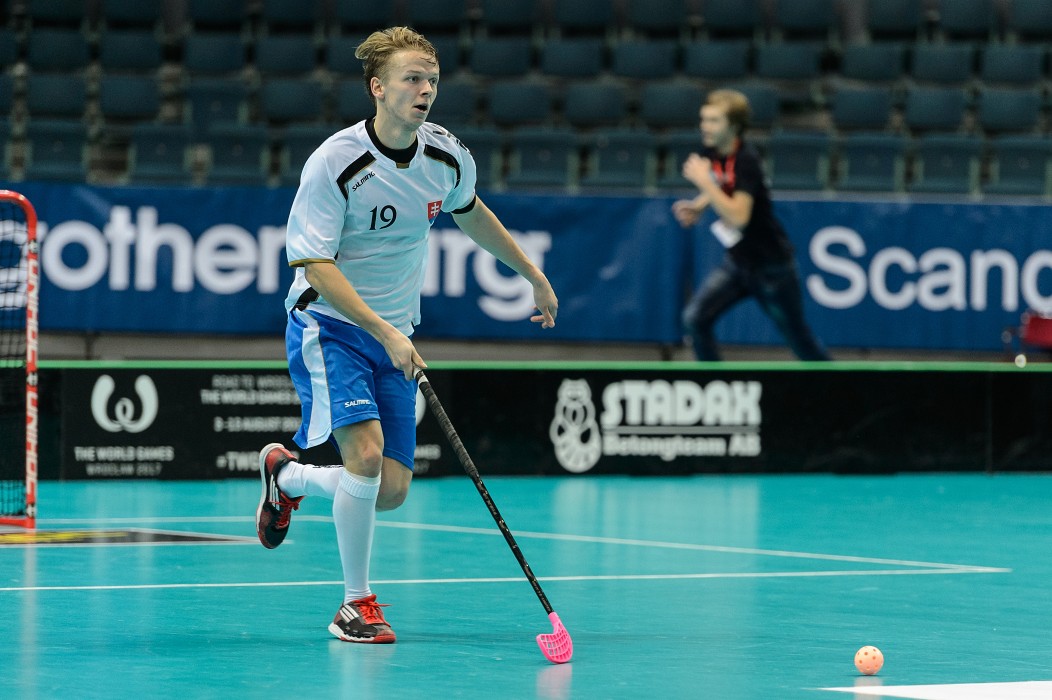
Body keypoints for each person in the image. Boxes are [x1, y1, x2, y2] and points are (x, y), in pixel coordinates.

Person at [254, 26, 559, 644]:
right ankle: (355, 606)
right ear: (378, 87)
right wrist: (382, 331)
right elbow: (315, 266)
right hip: (330, 323)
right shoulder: (335, 163)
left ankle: (285, 477)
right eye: (413, 79)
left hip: (395, 332)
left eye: (432, 81)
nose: (425, 91)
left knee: (387, 491)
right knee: (363, 458)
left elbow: (471, 212)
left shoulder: (445, 156)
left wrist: (532, 274)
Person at [671, 89, 830, 362]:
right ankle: (716, 390)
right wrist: (699, 205)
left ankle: (844, 392)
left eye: (713, 121)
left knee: (800, 341)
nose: (704, 127)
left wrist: (704, 182)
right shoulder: (713, 151)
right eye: (703, 119)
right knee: (695, 319)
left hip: (772, 268)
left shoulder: (747, 161)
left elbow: (739, 217)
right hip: (737, 264)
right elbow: (723, 183)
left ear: (733, 126)